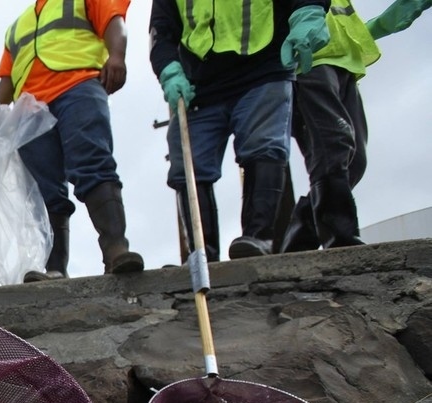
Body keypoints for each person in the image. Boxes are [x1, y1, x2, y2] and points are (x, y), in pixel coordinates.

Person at [150, 0, 331, 261]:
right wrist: (168, 68)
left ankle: (258, 239)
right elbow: (161, 29)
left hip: (263, 69)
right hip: (198, 84)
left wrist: (308, 10)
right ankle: (202, 255)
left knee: (263, 147)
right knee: (188, 166)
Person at [0, 0, 145, 282]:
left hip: (78, 87)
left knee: (92, 164)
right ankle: (55, 268)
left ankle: (116, 249)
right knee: (44, 191)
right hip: (31, 111)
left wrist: (117, 56)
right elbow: (7, 77)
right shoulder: (17, 27)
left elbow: (114, 23)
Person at [280, 0, 431, 252]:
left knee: (355, 161)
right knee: (333, 148)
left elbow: (343, 31)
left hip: (345, 67)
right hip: (307, 66)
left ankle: (299, 239)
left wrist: (383, 24)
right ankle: (339, 237)